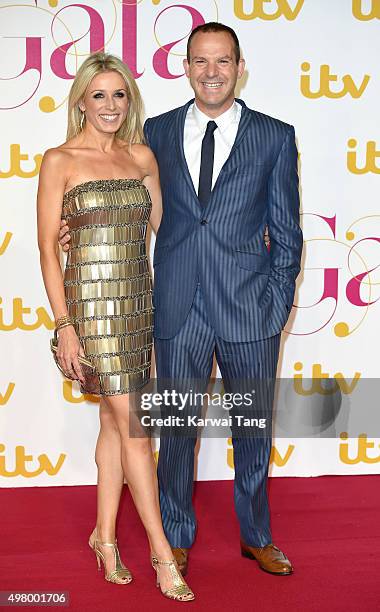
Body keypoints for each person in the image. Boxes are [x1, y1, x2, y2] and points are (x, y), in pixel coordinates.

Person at [59, 23, 303, 577]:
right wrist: (79, 230)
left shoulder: (274, 135)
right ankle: (176, 533)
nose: (211, 71)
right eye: (200, 61)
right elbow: (119, 198)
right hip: (177, 306)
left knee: (253, 428)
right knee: (175, 430)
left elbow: (288, 234)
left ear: (239, 67)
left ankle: (257, 535)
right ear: (185, 66)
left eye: (222, 61)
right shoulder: (155, 135)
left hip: (249, 309)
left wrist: (276, 302)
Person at [37, 51, 194, 602]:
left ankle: (104, 538)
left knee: (112, 425)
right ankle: (160, 551)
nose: (109, 105)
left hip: (136, 307)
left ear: (130, 101)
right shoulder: (59, 160)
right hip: (88, 310)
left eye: (119, 94)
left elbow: (169, 231)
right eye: (98, 94)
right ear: (81, 99)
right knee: (135, 428)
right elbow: (47, 252)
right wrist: (65, 326)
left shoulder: (142, 157)